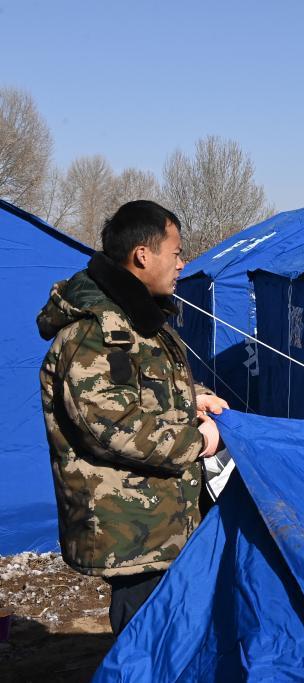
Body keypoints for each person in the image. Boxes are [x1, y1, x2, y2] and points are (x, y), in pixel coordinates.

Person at [37, 200, 228, 635]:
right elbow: (112, 425)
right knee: (148, 642)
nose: (182, 263)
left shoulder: (135, 319)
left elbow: (145, 390)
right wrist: (199, 442)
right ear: (143, 255)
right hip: (134, 534)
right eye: (176, 252)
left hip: (160, 526)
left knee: (174, 639)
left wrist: (195, 399)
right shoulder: (96, 332)